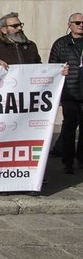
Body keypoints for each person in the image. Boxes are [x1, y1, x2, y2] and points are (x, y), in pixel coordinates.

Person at [49, 13, 83, 173]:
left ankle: (81, 160)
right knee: (69, 128)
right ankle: (68, 161)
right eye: (77, 22)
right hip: (69, 91)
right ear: (69, 24)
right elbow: (52, 67)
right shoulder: (61, 44)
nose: (81, 25)